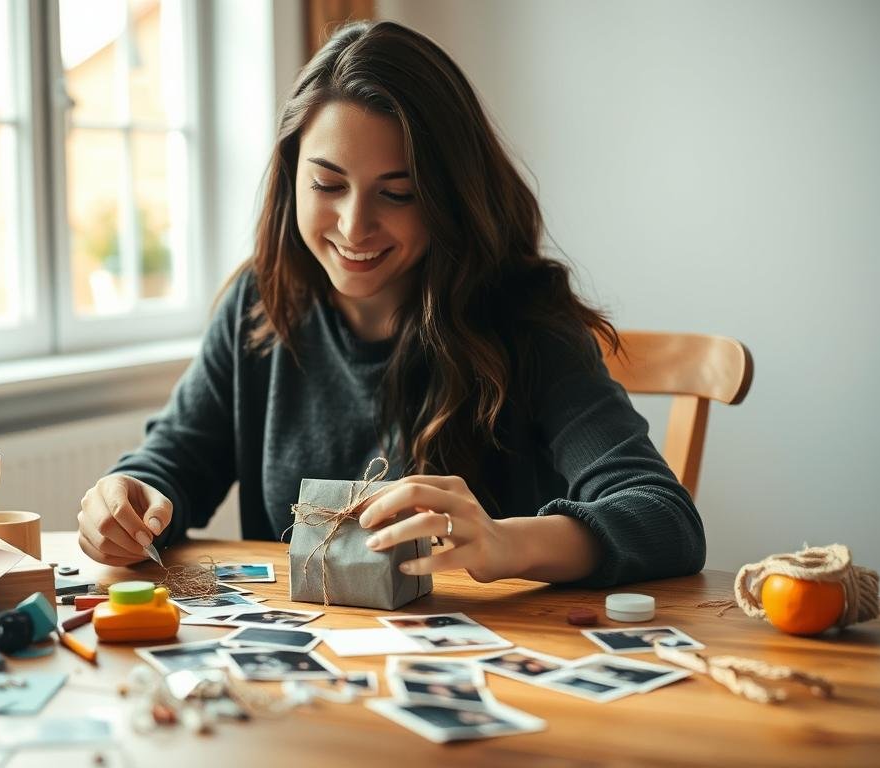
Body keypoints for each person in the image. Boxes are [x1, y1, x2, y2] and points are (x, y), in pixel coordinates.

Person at [76, 20, 705, 587]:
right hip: (306, 671)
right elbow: (173, 461)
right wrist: (130, 498)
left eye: (397, 194)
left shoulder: (525, 319)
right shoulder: (259, 303)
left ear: (449, 195)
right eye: (328, 185)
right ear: (291, 175)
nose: (355, 227)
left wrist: (504, 542)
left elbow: (662, 516)